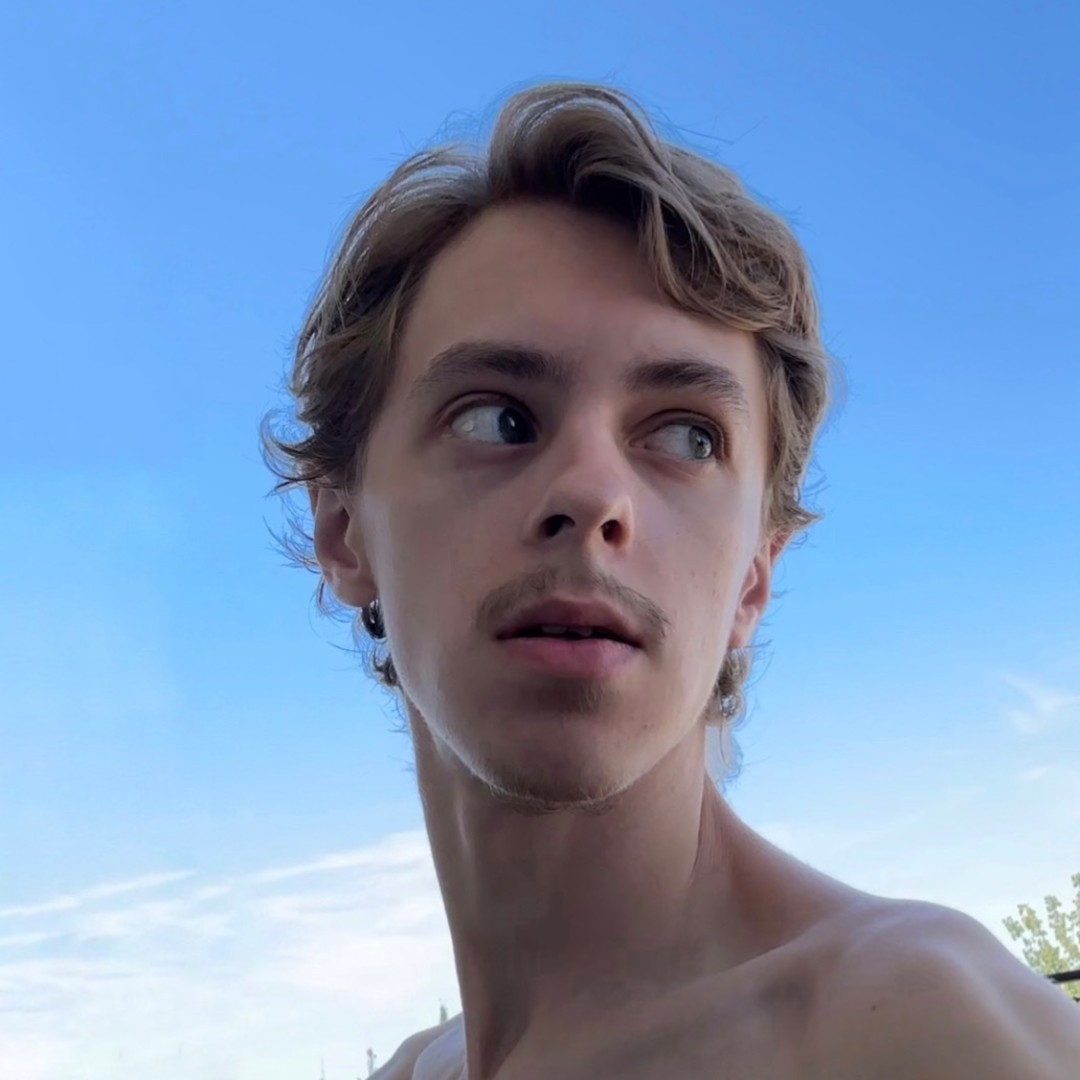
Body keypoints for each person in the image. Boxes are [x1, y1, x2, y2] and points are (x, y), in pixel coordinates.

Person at [262, 82, 1080, 1079]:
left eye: (688, 436)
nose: (591, 493)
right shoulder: (406, 1072)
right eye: (497, 418)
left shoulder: (920, 1028)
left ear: (753, 578)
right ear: (342, 530)